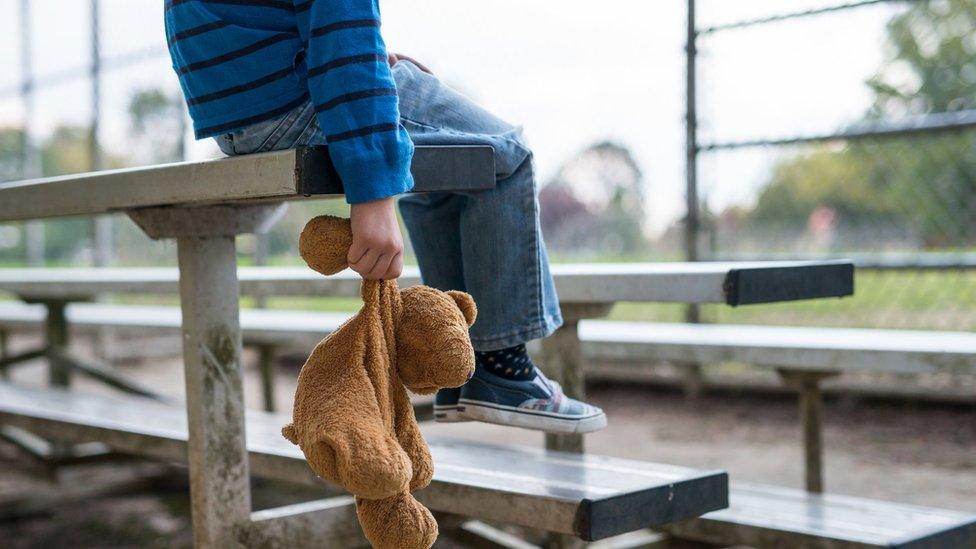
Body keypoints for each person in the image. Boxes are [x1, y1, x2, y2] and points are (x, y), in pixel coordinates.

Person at [164, 0, 606, 434]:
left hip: (230, 115)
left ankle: (462, 366)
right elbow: (341, 26)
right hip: (298, 95)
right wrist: (373, 193)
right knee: (506, 153)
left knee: (445, 168)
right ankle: (502, 369)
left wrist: (362, 53)